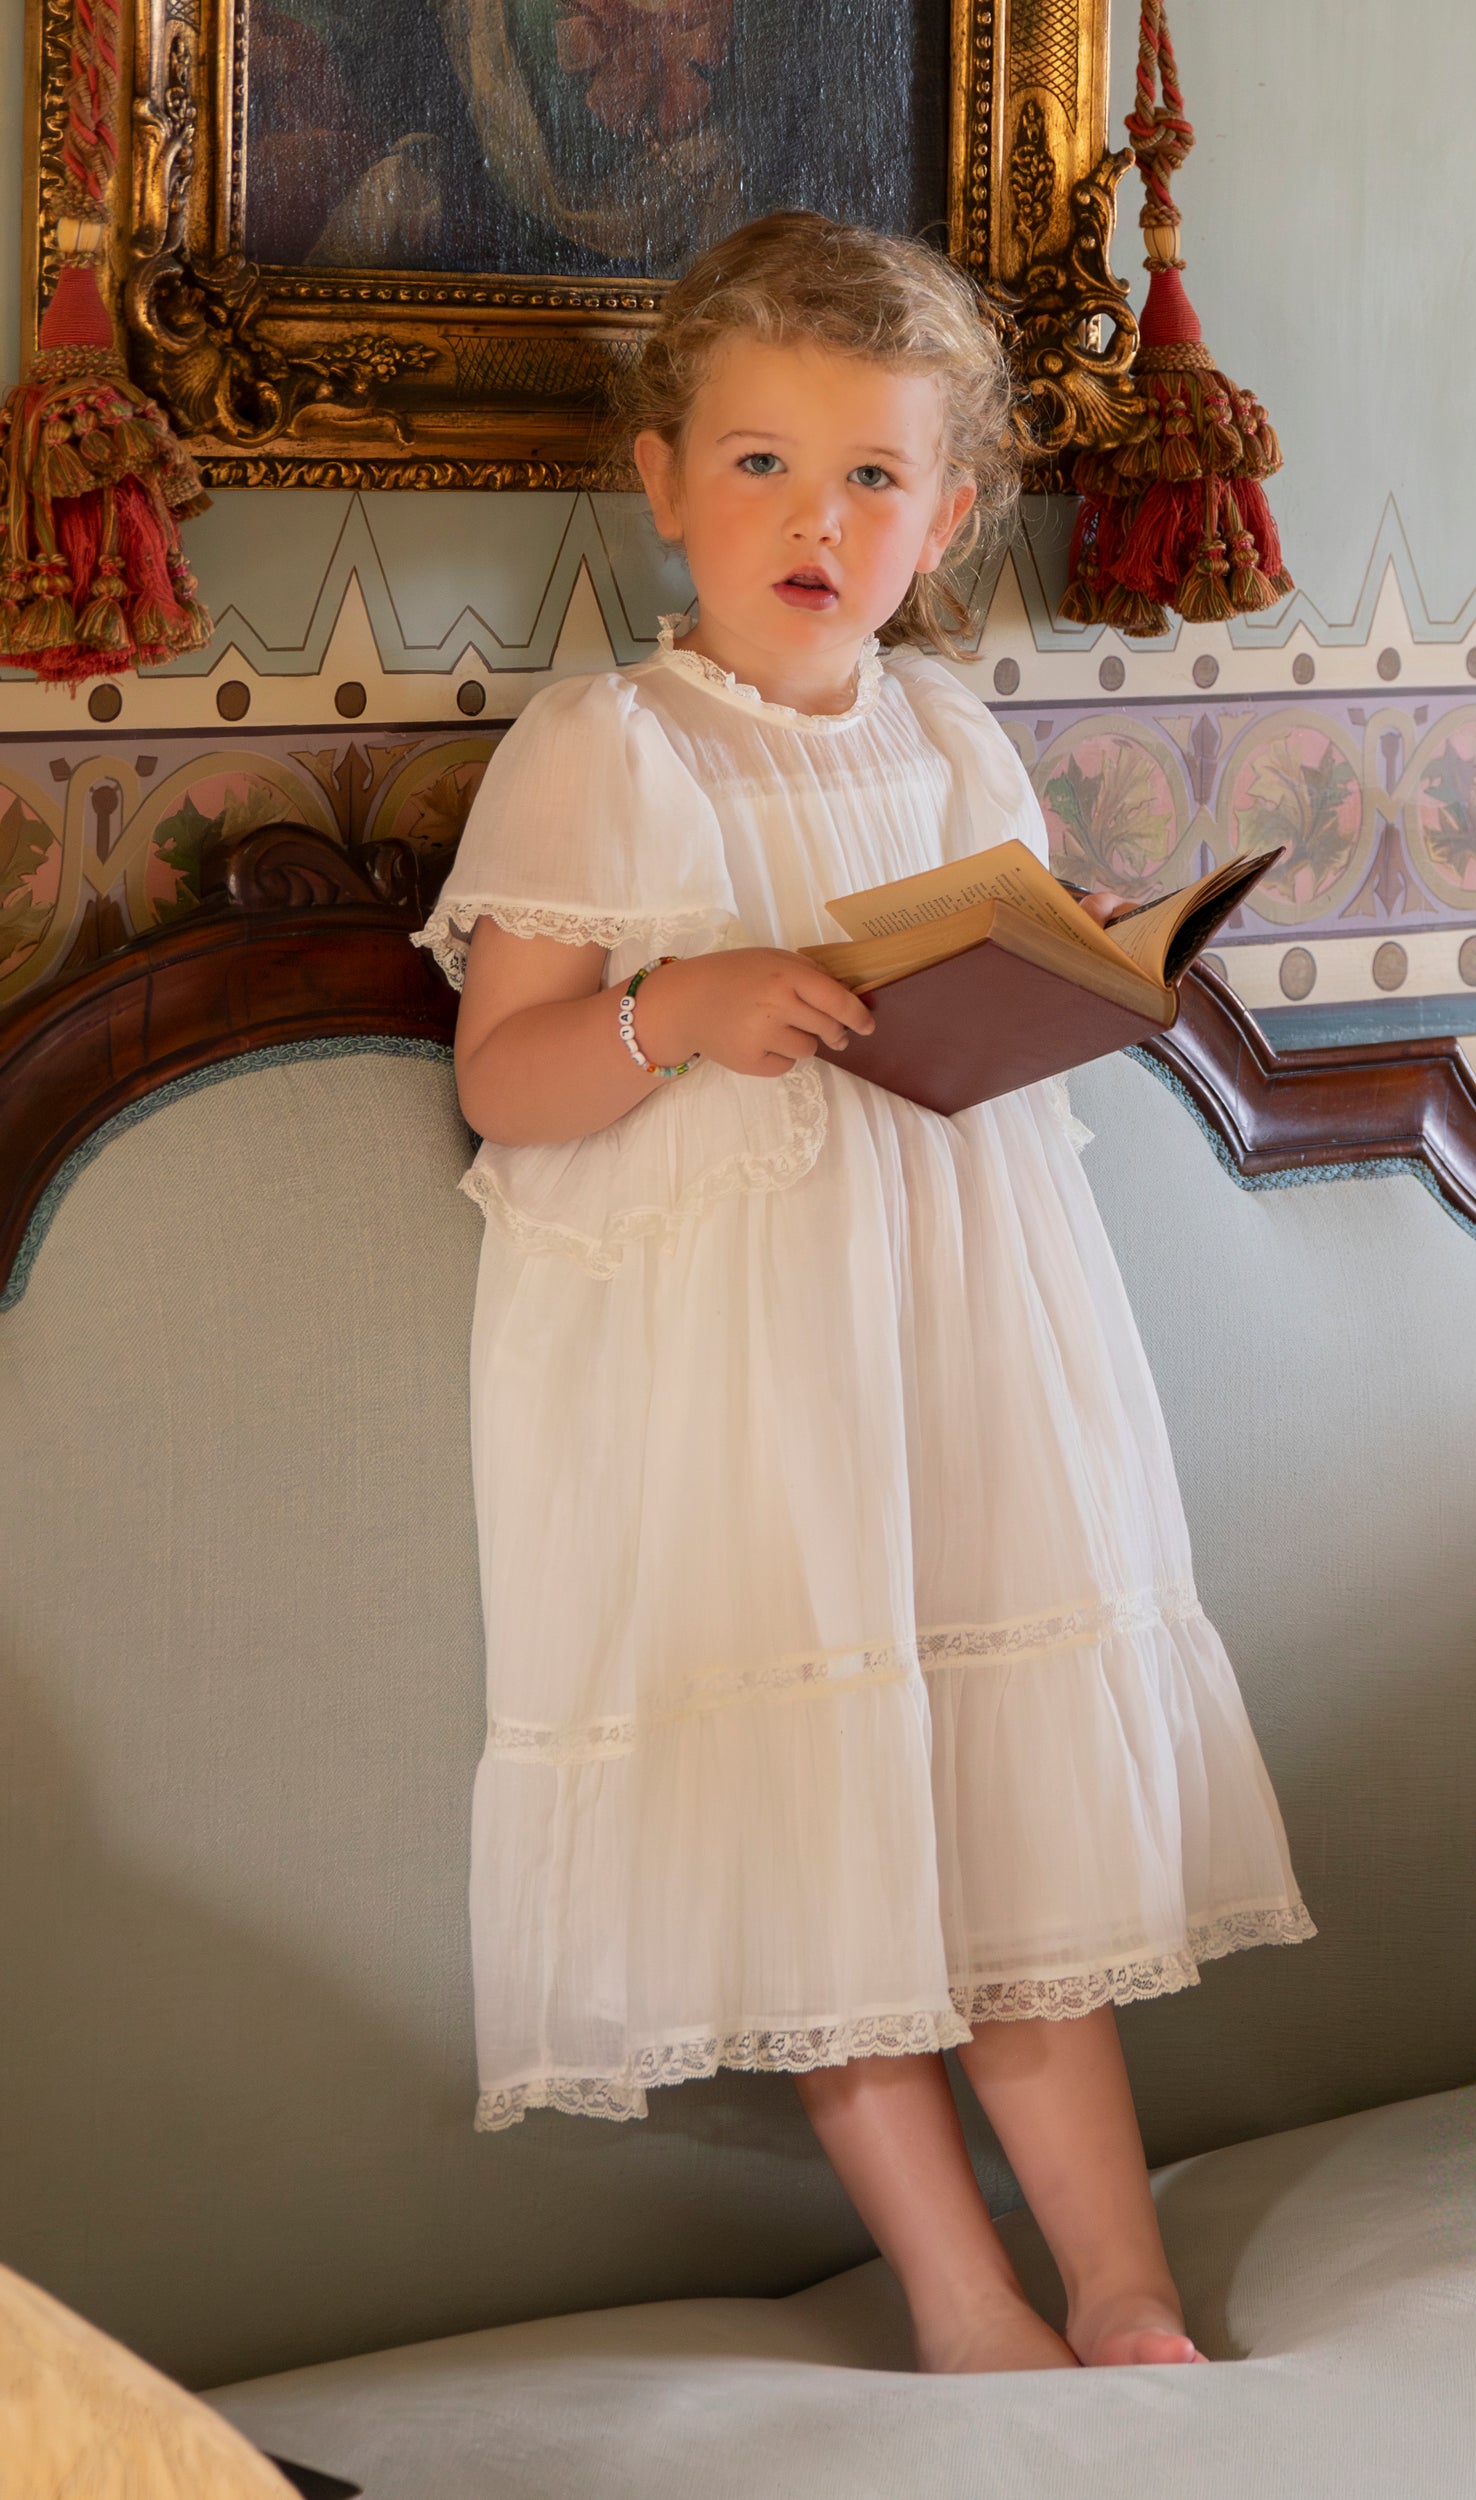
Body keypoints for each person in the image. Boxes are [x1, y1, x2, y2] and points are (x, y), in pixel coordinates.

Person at [414, 210, 1315, 2376]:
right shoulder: (611, 747)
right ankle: (962, 2292)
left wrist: (1072, 970)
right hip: (745, 1377)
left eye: (871, 478)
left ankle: (1122, 2285)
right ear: (662, 481)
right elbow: (504, 1077)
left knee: (1009, 1821)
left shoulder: (950, 734)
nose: (815, 521)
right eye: (761, 466)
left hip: (964, 1332)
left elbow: (969, 993)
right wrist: (677, 1009)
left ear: (951, 511)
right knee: (832, 1816)